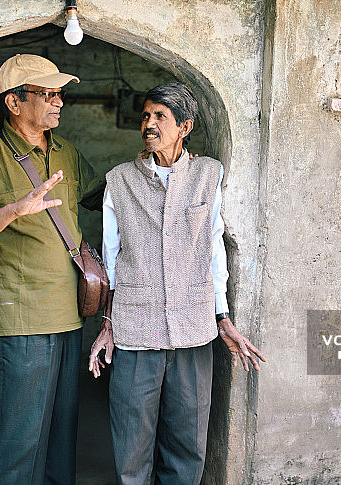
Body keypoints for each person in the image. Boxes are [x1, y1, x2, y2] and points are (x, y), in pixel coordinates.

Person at [88, 82, 266, 485]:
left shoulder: (208, 174)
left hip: (193, 328)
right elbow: (111, 258)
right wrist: (109, 324)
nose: (149, 124)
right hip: (136, 332)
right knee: (132, 448)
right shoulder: (119, 181)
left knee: (187, 447)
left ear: (184, 127)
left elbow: (214, 251)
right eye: (146, 116)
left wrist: (222, 317)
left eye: (160, 117)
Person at [0, 54, 102, 485]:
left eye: (59, 94)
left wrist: (161, 160)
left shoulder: (65, 151)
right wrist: (13, 210)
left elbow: (105, 197)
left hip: (68, 313)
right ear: (14, 103)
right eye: (46, 94)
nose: (58, 103)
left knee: (60, 437)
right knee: (19, 440)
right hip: (19, 316)